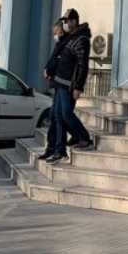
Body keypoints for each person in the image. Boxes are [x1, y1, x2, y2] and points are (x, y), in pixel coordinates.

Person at [47, 9, 93, 164]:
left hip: (69, 85)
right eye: (64, 21)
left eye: (67, 21)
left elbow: (82, 65)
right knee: (59, 116)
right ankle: (61, 149)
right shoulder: (71, 37)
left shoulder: (82, 39)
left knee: (66, 114)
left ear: (74, 21)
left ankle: (84, 138)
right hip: (60, 83)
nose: (65, 24)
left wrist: (78, 87)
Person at [39, 21, 76, 160]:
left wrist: (49, 69)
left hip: (64, 85)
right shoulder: (59, 43)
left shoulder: (67, 43)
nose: (55, 35)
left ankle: (61, 148)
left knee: (61, 117)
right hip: (57, 84)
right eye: (54, 33)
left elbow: (59, 62)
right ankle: (51, 148)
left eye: (57, 32)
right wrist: (47, 69)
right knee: (54, 118)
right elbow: (53, 59)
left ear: (62, 30)